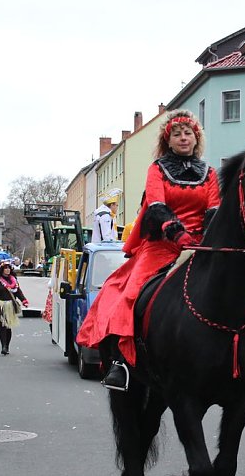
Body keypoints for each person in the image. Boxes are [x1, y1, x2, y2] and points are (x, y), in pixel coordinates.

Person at [77, 109, 221, 391]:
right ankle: (120, 361)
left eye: (187, 133)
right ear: (169, 140)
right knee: (129, 293)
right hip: (162, 244)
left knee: (240, 284)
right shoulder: (158, 169)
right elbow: (156, 205)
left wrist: (207, 238)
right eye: (177, 134)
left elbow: (214, 207)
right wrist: (177, 234)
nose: (183, 138)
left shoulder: (210, 173)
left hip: (202, 243)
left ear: (196, 138)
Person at [0, 261, 28, 355]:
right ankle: (3, 346)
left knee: (8, 327)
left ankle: (7, 346)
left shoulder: (13, 280)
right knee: (3, 326)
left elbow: (18, 292)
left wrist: (24, 300)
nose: (8, 269)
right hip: (0, 306)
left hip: (10, 307)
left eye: (9, 268)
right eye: (5, 268)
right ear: (2, 269)